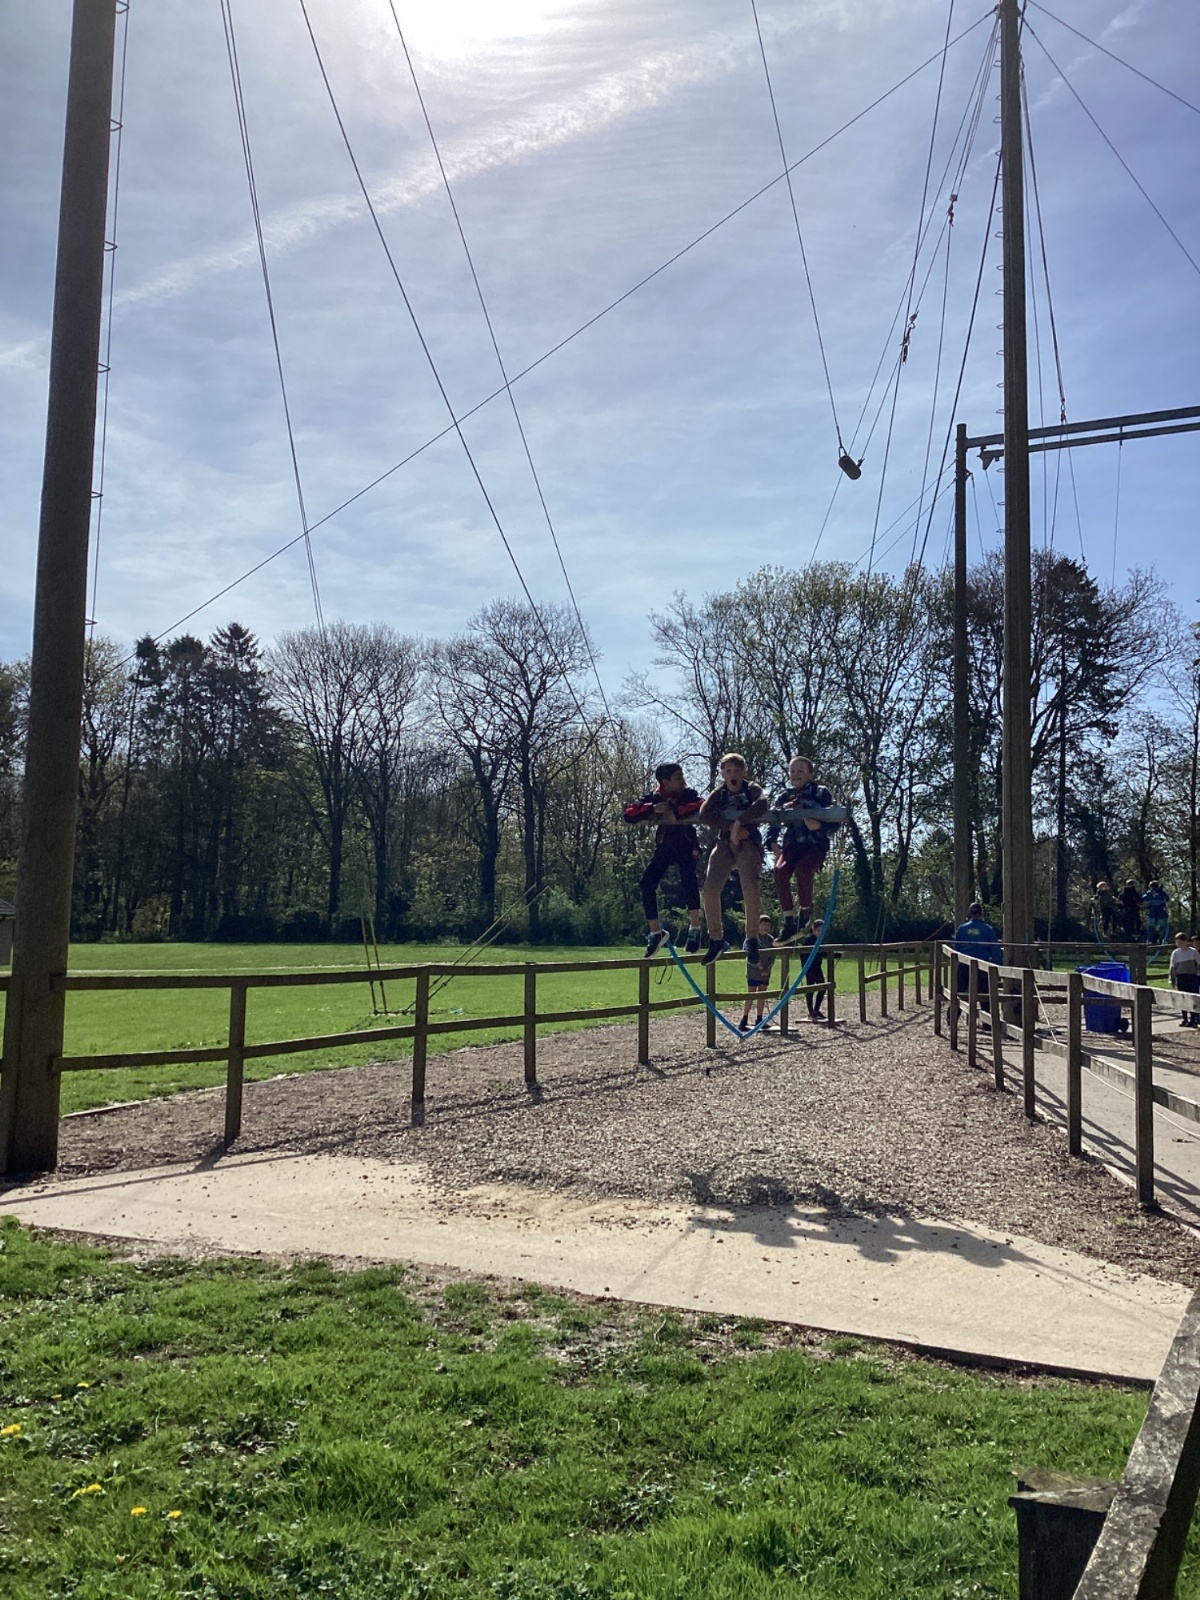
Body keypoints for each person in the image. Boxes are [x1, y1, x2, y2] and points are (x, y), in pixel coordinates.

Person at [623, 763, 704, 957]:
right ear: (665, 782)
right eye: (678, 778)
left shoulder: (688, 794)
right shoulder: (654, 797)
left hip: (685, 843)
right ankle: (655, 932)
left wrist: (675, 809)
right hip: (666, 845)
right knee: (647, 883)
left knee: (688, 879)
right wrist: (653, 809)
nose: (683, 781)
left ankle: (695, 928)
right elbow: (629, 814)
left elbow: (702, 803)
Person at [698, 752, 769, 972]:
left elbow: (762, 804)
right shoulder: (719, 793)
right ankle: (716, 938)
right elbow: (704, 814)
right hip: (725, 841)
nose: (733, 775)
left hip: (748, 841)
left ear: (744, 772)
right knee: (710, 888)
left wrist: (740, 823)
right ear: (722, 774)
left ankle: (752, 939)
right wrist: (730, 828)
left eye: (737, 771)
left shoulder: (751, 789)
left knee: (750, 888)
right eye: (728, 771)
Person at [767, 755, 841, 942]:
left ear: (810, 774)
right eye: (792, 771)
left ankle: (805, 912)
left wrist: (820, 826)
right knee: (780, 871)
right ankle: (789, 920)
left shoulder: (821, 793)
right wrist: (772, 841)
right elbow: (773, 819)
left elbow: (835, 821)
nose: (796, 774)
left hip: (814, 844)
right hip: (792, 844)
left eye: (800, 771)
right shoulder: (784, 797)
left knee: (803, 870)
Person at [952, 902, 1003, 1007]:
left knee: (960, 993)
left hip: (964, 965)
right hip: (982, 966)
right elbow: (994, 948)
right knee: (984, 995)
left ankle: (953, 1014)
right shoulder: (987, 929)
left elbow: (956, 948)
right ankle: (986, 1016)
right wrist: (998, 963)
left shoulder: (962, 929)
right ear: (981, 913)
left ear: (970, 913)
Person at [739, 915, 777, 1032]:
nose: (766, 927)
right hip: (753, 971)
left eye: (768, 925)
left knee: (762, 994)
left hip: (765, 972)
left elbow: (773, 956)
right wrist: (757, 965)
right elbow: (747, 955)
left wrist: (766, 968)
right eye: (764, 924)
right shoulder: (751, 938)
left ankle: (759, 1019)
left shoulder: (771, 940)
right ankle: (744, 1019)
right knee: (751, 993)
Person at [800, 917, 828, 1021]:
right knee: (810, 989)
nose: (820, 932)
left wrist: (836, 955)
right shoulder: (809, 939)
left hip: (817, 967)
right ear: (814, 929)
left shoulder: (819, 940)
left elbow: (823, 952)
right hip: (810, 967)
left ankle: (816, 1010)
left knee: (822, 987)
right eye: (818, 930)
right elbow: (803, 954)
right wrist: (805, 967)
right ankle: (811, 1011)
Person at [1169, 932, 1200, 1027]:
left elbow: (1199, 964)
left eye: (1181, 942)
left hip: (1192, 977)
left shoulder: (1193, 952)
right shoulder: (1175, 953)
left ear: (1186, 941)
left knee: (1193, 998)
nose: (1179, 944)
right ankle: (1185, 1019)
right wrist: (1172, 979)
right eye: (1177, 942)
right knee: (1182, 998)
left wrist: (1197, 975)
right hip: (1181, 977)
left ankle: (1193, 1019)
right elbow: (1172, 967)